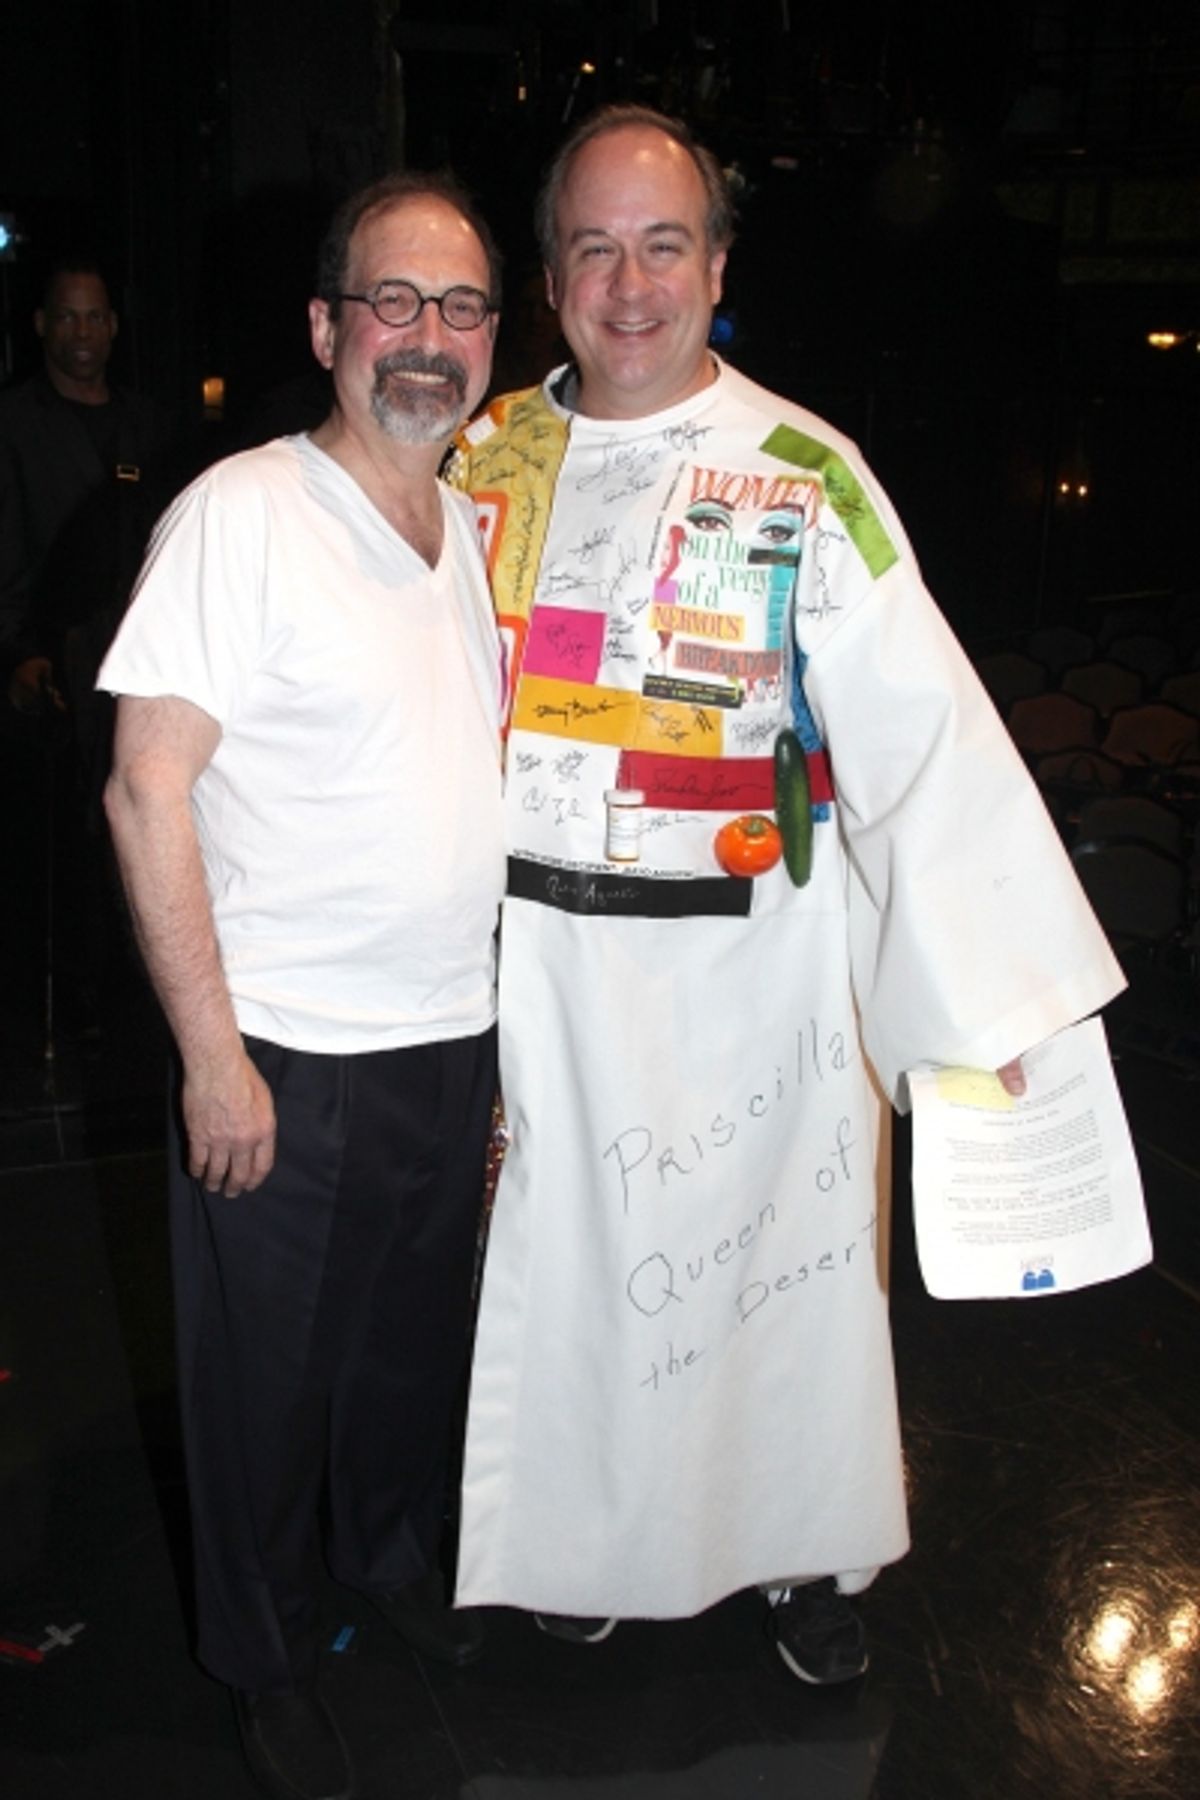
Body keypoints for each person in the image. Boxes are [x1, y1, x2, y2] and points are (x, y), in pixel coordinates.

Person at [448, 106, 1125, 1685]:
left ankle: (805, 1560)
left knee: (786, 1293)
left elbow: (923, 733)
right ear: (551, 276)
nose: (631, 285)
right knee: (569, 1284)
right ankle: (578, 1549)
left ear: (719, 262)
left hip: (762, 979)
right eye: (595, 249)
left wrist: (994, 987)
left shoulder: (806, 470)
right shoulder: (481, 464)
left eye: (663, 244)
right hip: (538, 964)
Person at [99, 172, 505, 1800]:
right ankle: (262, 1662)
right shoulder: (243, 514)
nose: (428, 337)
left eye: (462, 306)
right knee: (262, 1397)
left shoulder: (464, 529)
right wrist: (212, 1057)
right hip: (287, 1056)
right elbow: (147, 786)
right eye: (393, 302)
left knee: (409, 1363)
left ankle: (391, 1571)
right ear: (329, 325)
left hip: (442, 1044)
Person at [0, 260, 175, 1026]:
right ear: (41, 325)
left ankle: (126, 997)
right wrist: (16, 654)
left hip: (134, 663)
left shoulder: (149, 422)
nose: (81, 333)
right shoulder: (13, 423)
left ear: (113, 326)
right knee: (57, 847)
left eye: (94, 317)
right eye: (65, 317)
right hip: (46, 664)